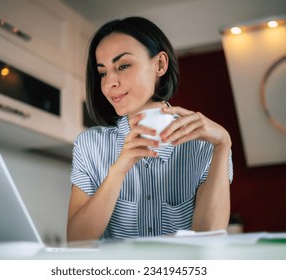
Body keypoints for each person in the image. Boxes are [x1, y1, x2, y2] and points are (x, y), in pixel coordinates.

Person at [67, 16, 233, 241]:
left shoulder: (207, 146)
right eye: (103, 72)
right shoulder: (89, 145)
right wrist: (118, 171)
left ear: (160, 64)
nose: (108, 83)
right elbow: (76, 242)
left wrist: (224, 144)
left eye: (123, 66)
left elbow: (209, 236)